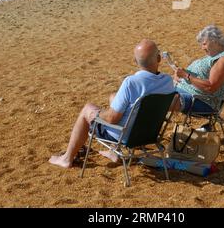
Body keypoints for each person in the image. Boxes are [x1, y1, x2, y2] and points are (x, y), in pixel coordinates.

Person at [49, 39, 175, 169]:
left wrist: (98, 113)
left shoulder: (131, 83)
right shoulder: (167, 81)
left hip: (126, 136)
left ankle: (66, 158)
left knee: (88, 109)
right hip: (148, 133)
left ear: (135, 62)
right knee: (113, 97)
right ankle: (113, 152)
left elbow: (112, 119)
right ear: (159, 59)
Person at [170, 25, 224, 115]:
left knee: (159, 100)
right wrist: (179, 74)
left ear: (216, 41)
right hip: (183, 91)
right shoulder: (213, 56)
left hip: (201, 101)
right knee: (151, 89)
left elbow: (210, 87)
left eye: (204, 44)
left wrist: (186, 76)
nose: (202, 48)